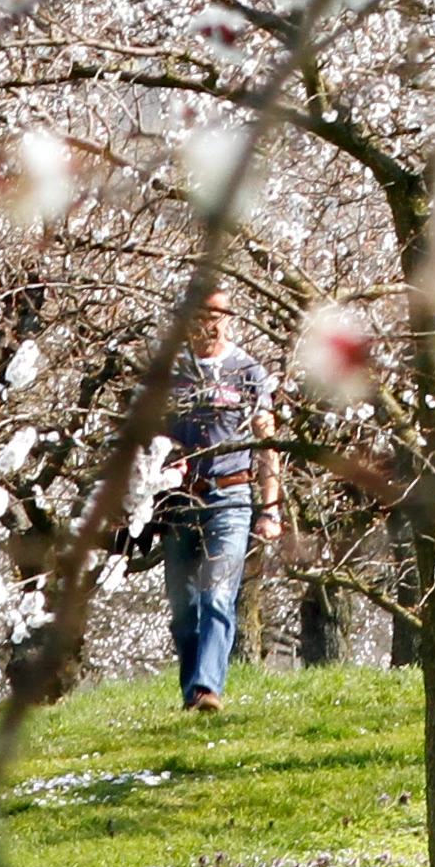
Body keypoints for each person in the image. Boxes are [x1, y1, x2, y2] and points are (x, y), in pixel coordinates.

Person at [157, 287, 274, 711]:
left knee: (217, 594)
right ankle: (193, 693)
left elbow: (267, 441)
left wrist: (271, 507)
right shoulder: (172, 375)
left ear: (227, 319)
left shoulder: (247, 371)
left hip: (232, 496)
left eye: (214, 317)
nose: (205, 326)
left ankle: (208, 689)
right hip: (179, 502)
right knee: (183, 608)